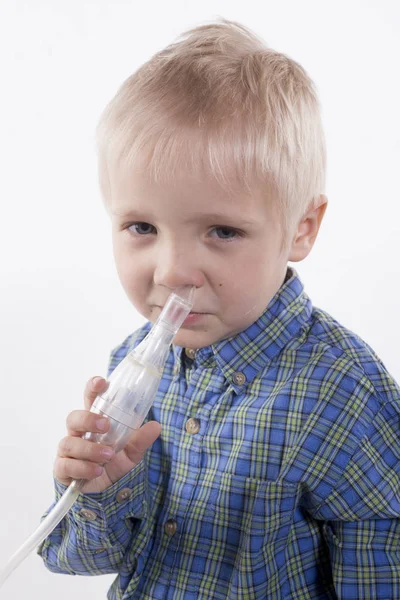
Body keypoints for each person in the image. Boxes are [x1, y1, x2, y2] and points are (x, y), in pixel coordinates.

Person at [38, 18, 400, 599]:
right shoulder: (133, 364)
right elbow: (75, 558)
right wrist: (99, 489)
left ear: (301, 229)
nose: (172, 271)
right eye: (142, 226)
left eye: (222, 231)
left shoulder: (345, 391)